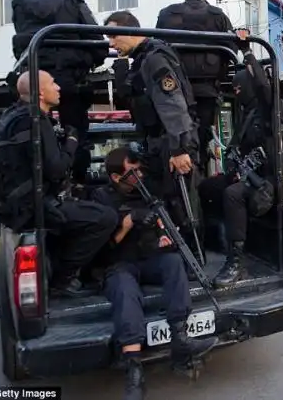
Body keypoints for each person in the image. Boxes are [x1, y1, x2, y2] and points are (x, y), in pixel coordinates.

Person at [91, 148, 216, 400]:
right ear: (116, 177)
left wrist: (162, 237)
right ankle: (134, 371)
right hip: (119, 263)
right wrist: (127, 223)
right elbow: (102, 246)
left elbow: (163, 223)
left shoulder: (146, 191)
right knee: (125, 291)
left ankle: (180, 338)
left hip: (148, 258)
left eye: (139, 170)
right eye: (131, 172)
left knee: (172, 262)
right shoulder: (100, 197)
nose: (138, 176)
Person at [0, 71, 118, 297]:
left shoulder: (13, 117)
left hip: (22, 205)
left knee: (91, 201)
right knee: (106, 217)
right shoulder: (36, 120)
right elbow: (57, 169)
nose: (58, 88)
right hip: (33, 206)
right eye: (53, 84)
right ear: (41, 93)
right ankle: (64, 279)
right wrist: (72, 143)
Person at [103, 11, 203, 255]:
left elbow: (173, 103)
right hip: (159, 142)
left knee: (182, 203)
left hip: (174, 141)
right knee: (166, 199)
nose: (111, 43)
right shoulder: (141, 60)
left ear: (130, 30)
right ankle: (176, 254)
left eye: (114, 36)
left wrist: (179, 148)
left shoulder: (154, 58)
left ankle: (194, 258)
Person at [11, 0, 109, 184]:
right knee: (75, 134)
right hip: (68, 82)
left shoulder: (21, 1)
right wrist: (88, 61)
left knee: (30, 132)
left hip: (31, 80)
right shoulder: (73, 3)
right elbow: (97, 44)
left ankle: (39, 185)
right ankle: (75, 184)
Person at [198, 49, 276, 288]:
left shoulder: (269, 109)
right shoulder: (246, 115)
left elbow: (264, 88)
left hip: (268, 182)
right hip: (248, 175)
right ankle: (216, 240)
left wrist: (248, 53)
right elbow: (236, 148)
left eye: (240, 89)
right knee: (207, 187)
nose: (237, 93)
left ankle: (237, 261)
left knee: (232, 194)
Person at [156, 0, 234, 176]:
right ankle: (197, 175)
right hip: (207, 90)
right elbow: (231, 52)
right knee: (201, 136)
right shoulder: (219, 17)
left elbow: (157, 49)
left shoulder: (167, 14)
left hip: (174, 90)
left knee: (175, 136)